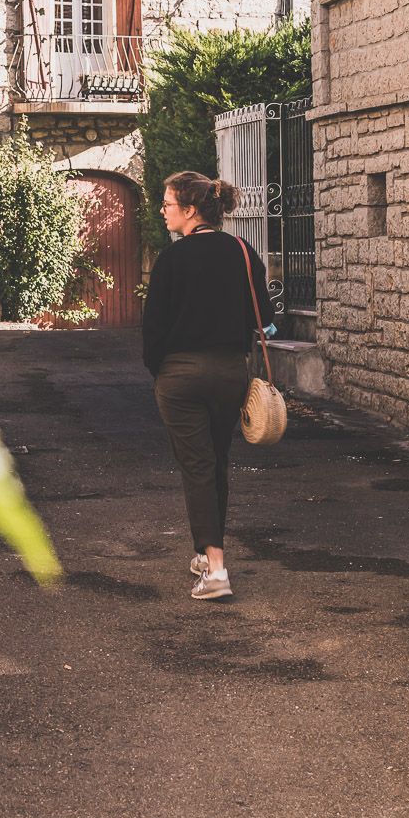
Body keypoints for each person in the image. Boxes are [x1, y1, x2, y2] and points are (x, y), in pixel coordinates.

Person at [143, 171, 275, 601]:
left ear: (190, 209)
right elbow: (265, 320)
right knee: (215, 462)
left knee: (197, 466)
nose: (162, 211)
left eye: (167, 204)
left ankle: (216, 571)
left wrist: (160, 371)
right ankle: (206, 553)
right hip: (229, 373)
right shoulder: (241, 250)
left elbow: (153, 330)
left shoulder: (172, 259)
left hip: (180, 376)